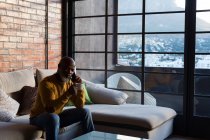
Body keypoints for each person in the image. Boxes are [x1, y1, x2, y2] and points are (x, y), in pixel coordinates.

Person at [30, 56, 95, 140]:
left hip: (57, 115)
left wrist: (80, 87)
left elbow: (80, 106)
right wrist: (67, 93)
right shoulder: (46, 83)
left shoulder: (69, 83)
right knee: (53, 117)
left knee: (85, 112)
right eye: (66, 68)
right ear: (59, 67)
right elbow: (50, 109)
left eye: (72, 70)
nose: (69, 72)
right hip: (38, 118)